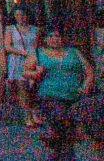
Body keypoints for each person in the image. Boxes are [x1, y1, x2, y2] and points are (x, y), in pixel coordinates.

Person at [32, 27, 92, 160]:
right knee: (61, 119)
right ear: (45, 39)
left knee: (68, 124)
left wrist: (86, 85)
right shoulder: (39, 53)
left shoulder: (74, 52)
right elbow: (25, 71)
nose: (55, 39)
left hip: (74, 95)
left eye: (57, 36)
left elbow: (89, 71)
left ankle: (59, 152)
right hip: (50, 95)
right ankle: (63, 153)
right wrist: (36, 73)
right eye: (51, 36)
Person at [7, 8, 43, 128]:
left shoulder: (35, 30)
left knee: (33, 88)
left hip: (33, 60)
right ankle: (27, 116)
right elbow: (7, 46)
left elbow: (37, 46)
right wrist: (22, 52)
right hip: (18, 59)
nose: (20, 17)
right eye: (17, 15)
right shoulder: (10, 29)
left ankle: (34, 113)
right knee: (22, 88)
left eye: (22, 15)